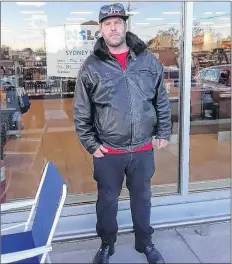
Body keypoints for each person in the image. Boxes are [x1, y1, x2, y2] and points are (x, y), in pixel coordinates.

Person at [73, 3, 172, 264]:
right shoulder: (91, 66)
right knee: (107, 203)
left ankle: (145, 242)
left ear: (125, 25)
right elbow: (81, 110)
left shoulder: (147, 59)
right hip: (109, 151)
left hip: (141, 148)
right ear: (101, 30)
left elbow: (160, 97)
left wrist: (164, 129)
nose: (113, 27)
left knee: (142, 200)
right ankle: (107, 244)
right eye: (107, 23)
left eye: (117, 22)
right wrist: (90, 143)